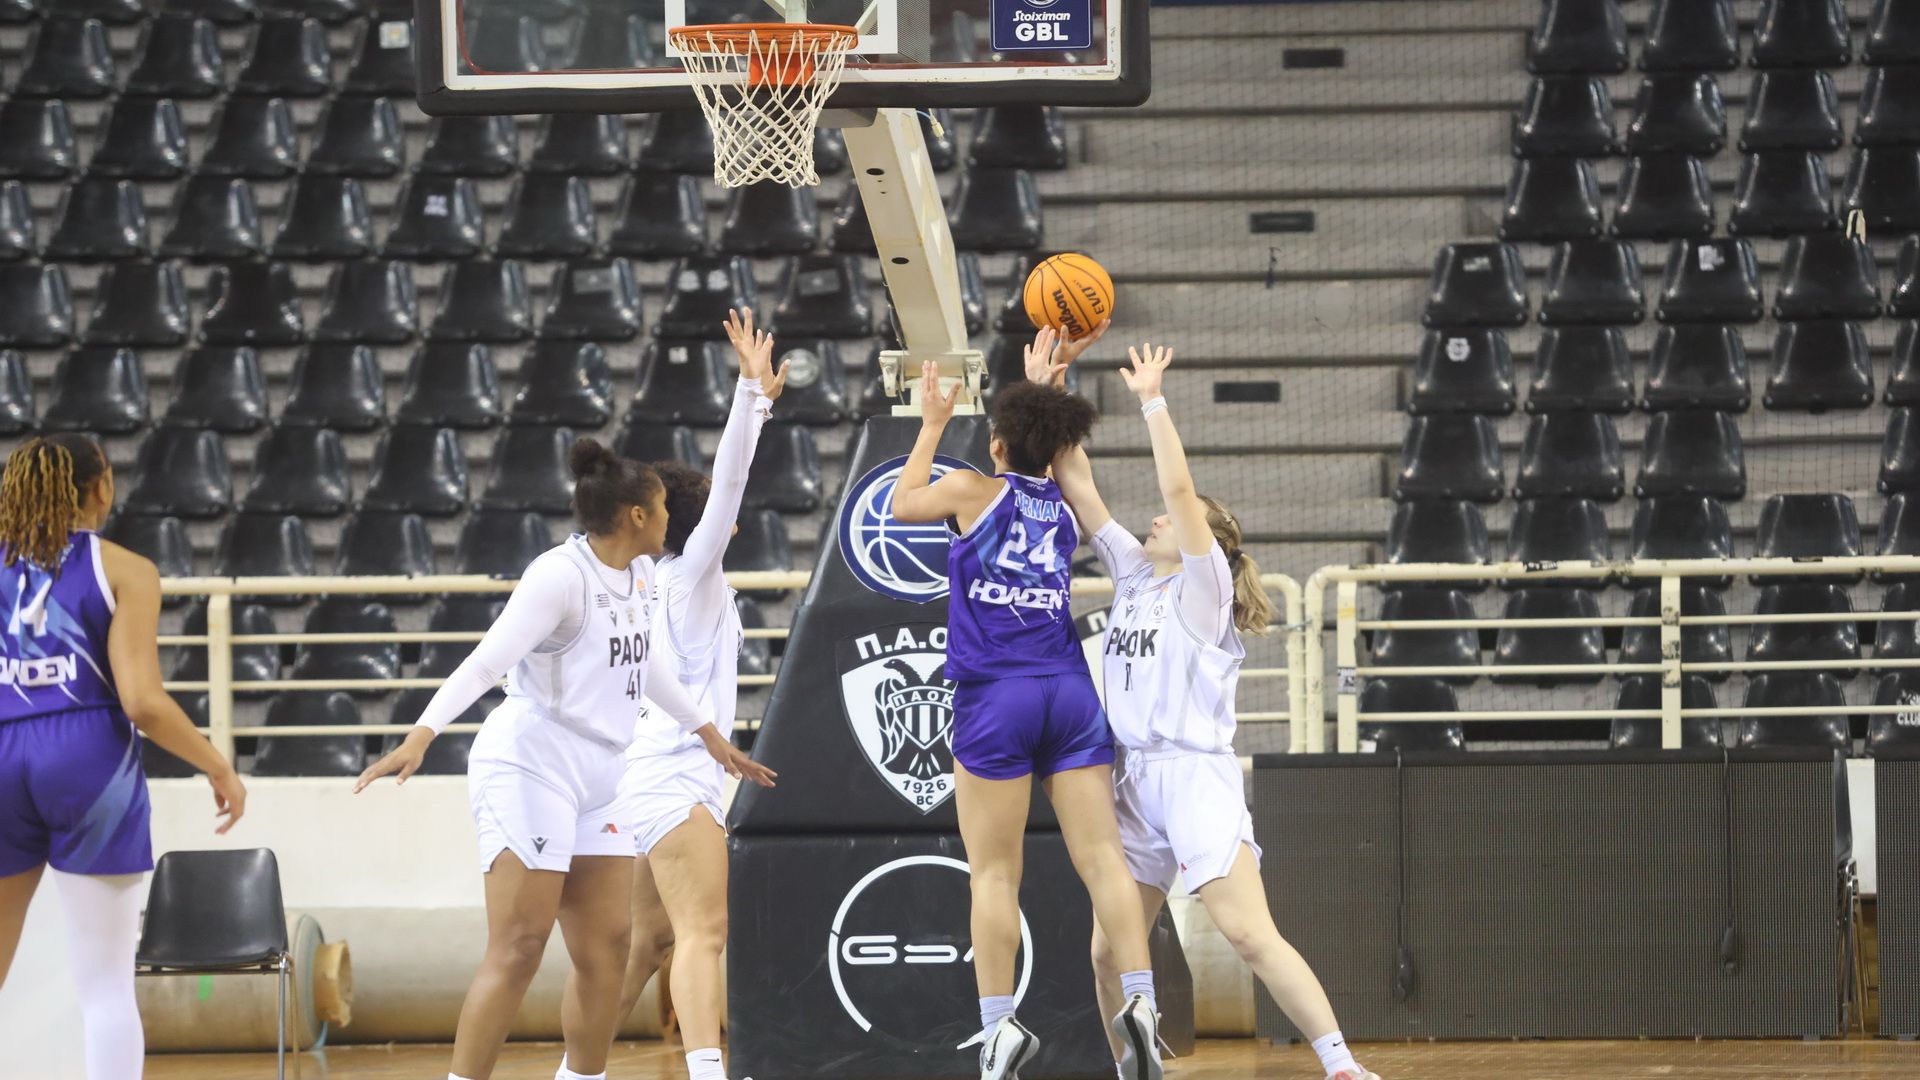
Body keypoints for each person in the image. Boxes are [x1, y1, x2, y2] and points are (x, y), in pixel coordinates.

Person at [354, 439, 776, 1080]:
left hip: (605, 771)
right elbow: (486, 663)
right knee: (520, 946)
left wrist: (709, 734)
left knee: (609, 948)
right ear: (637, 514)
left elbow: (646, 667)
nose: (672, 519)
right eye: (663, 507)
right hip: (533, 761)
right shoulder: (558, 576)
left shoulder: (641, 575)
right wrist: (423, 733)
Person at [1046, 335, 1381, 1080]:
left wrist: (1153, 402)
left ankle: (1341, 1065)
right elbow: (1076, 480)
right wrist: (1052, 394)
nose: (1157, 521)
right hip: (1133, 779)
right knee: (1106, 951)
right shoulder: (1136, 574)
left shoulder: (1207, 591)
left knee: (1249, 934)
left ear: (1210, 540)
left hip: (1195, 778)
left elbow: (1177, 491)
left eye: (1175, 520)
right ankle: (1134, 1071)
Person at [892, 358, 1162, 1080]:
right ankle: (1141, 999)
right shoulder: (1067, 505)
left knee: (993, 874)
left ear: (997, 446)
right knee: (1105, 861)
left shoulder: (971, 489)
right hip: (1069, 690)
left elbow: (902, 503)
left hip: (996, 695)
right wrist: (1050, 389)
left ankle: (997, 1029)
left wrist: (932, 424)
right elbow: (1063, 450)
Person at [0, 433, 248, 1080]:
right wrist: (217, 764)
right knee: (105, 987)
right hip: (87, 758)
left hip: (2, 749)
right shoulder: (125, 569)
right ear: (101, 487)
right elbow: (142, 703)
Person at [597, 308, 786, 1080]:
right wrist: (749, 396)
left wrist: (759, 405)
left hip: (641, 777)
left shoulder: (643, 581)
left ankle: (576, 1067)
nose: (727, 516)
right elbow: (732, 479)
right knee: (705, 934)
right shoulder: (691, 577)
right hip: (675, 778)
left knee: (649, 942)